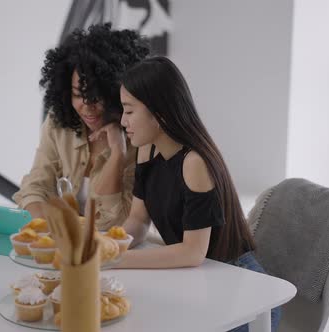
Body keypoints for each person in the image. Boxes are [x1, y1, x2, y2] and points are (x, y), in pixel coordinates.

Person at [115, 56, 281, 331]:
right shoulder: (147, 149)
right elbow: (137, 220)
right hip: (200, 280)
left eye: (129, 111)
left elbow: (192, 252)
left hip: (240, 286)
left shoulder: (195, 162)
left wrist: (117, 260)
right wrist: (108, 245)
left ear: (159, 113)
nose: (123, 120)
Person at [13, 24, 150, 230]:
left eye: (95, 98)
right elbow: (36, 186)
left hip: (115, 252)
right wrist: (44, 228)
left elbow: (117, 223)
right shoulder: (58, 123)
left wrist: (117, 156)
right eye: (78, 95)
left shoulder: (140, 140)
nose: (87, 108)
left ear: (116, 94)